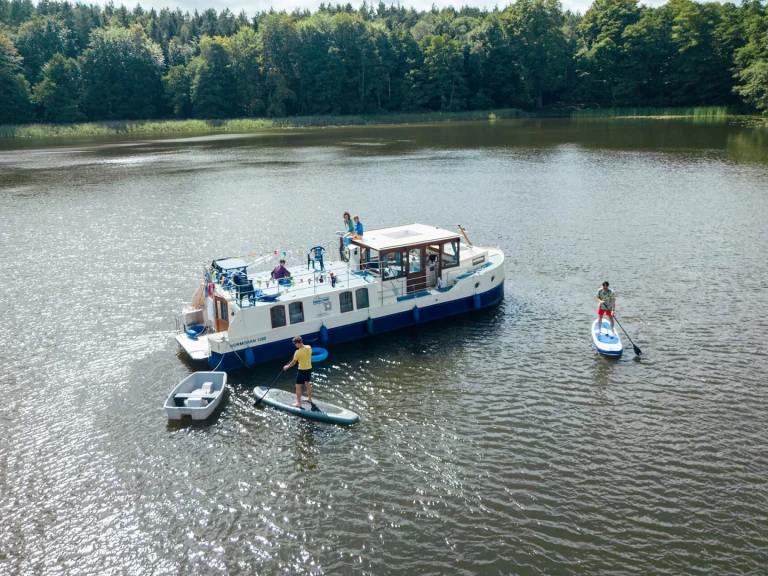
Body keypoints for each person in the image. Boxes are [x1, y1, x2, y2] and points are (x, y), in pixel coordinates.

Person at [283, 336, 312, 407]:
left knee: (298, 386)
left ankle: (299, 404)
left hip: (302, 370)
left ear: (297, 343)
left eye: (295, 344)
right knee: (307, 383)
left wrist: (287, 366)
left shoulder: (297, 352)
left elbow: (293, 362)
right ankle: (310, 399)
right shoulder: (309, 347)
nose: (295, 345)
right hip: (309, 368)